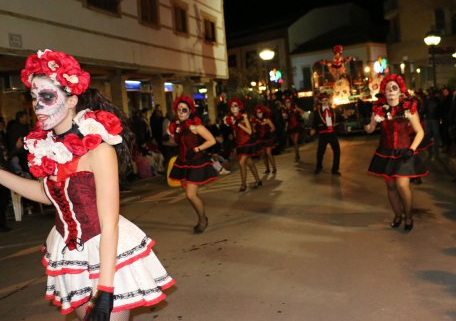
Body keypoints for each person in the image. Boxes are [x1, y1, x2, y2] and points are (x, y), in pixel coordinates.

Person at [0, 49, 174, 320]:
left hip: (106, 255)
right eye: (34, 98)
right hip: (70, 255)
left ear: (71, 100)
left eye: (47, 97)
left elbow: (109, 223)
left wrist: (104, 291)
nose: (37, 106)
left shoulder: (98, 149)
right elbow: (46, 194)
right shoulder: (48, 148)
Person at [364, 74, 428, 232]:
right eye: (388, 88)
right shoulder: (379, 109)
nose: (391, 91)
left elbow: (420, 132)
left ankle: (408, 216)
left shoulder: (408, 108)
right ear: (383, 92)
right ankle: (397, 215)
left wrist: (411, 149)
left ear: (400, 91)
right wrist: (366, 122)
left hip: (404, 152)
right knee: (391, 186)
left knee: (402, 185)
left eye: (394, 88)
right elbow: (370, 129)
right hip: (385, 152)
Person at [168, 95, 218, 234]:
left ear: (190, 111)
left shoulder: (196, 127)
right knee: (189, 194)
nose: (181, 112)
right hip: (184, 163)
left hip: (196, 162)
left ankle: (203, 220)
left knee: (190, 195)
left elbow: (212, 140)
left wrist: (197, 149)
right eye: (179, 110)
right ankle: (202, 218)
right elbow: (177, 143)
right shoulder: (176, 127)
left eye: (184, 110)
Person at [225, 98, 261, 191]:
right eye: (232, 106)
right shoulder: (231, 119)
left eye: (235, 106)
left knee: (241, 163)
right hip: (240, 144)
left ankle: (243, 185)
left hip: (247, 142)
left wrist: (239, 124)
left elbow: (250, 131)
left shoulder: (244, 117)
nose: (233, 108)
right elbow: (235, 132)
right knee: (250, 163)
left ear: (240, 107)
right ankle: (258, 180)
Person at [310, 93, 341, 175]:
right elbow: (314, 122)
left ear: (328, 100)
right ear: (320, 101)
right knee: (320, 152)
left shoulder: (333, 110)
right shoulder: (317, 112)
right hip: (323, 134)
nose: (324, 102)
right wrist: (313, 129)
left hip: (332, 133)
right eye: (323, 100)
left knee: (337, 151)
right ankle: (319, 167)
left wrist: (343, 117)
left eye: (326, 100)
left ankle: (335, 169)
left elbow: (338, 119)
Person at [252, 105, 277, 174]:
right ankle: (267, 168)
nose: (259, 114)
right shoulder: (256, 121)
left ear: (263, 112)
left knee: (268, 153)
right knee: (263, 154)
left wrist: (267, 132)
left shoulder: (267, 119)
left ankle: (274, 168)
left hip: (268, 139)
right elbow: (253, 131)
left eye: (260, 112)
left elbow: (273, 128)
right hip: (260, 140)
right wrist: (253, 127)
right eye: (257, 113)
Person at [281, 95, 304, 163]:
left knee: (295, 141)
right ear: (285, 103)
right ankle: (297, 154)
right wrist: (284, 116)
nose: (288, 103)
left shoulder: (294, 107)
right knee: (294, 142)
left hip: (296, 126)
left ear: (291, 102)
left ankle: (297, 155)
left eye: (289, 102)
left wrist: (296, 109)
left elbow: (302, 112)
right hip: (290, 127)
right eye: (286, 102)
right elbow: (284, 119)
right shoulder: (284, 110)